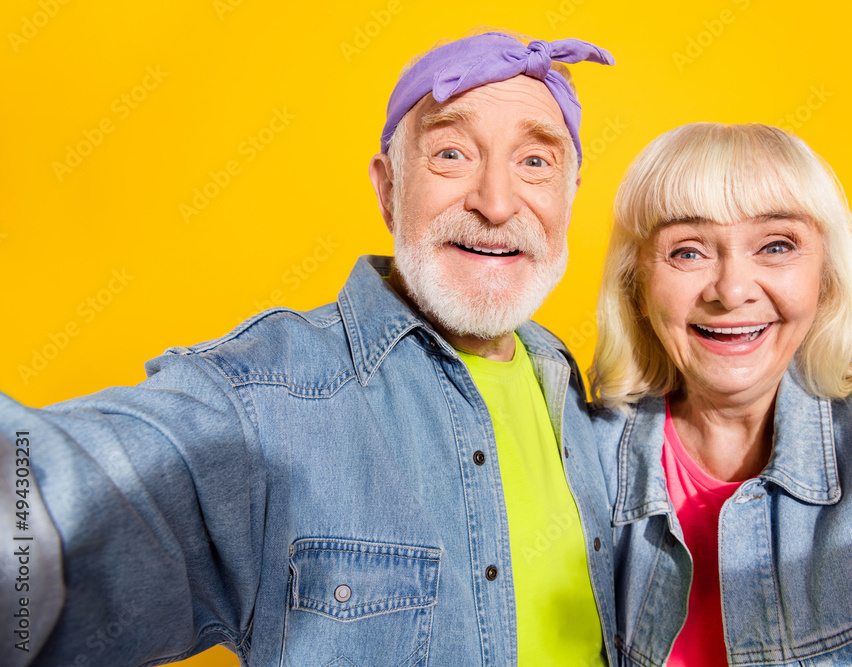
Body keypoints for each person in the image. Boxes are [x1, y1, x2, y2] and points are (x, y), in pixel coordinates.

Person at [0, 30, 616, 666]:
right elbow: (67, 502)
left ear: (570, 193)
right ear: (388, 190)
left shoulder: (563, 378)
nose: (495, 202)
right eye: (451, 154)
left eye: (536, 162)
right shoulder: (264, 394)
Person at [590, 122, 852, 665]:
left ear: (825, 278)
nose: (732, 291)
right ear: (636, 286)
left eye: (777, 245)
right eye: (688, 252)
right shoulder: (587, 452)